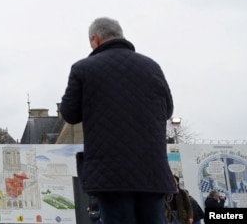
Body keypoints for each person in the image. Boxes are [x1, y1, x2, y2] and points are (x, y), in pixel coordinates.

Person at [60, 17, 175, 224]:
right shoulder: (152, 67)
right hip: (152, 170)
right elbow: (167, 111)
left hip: (110, 174)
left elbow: (69, 113)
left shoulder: (83, 69)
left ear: (95, 39)